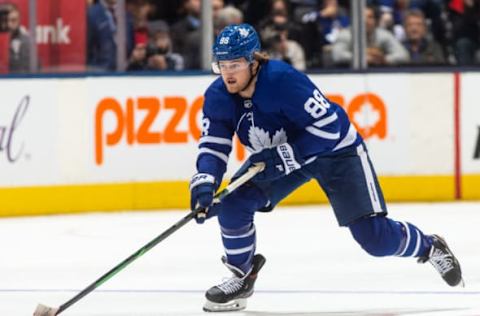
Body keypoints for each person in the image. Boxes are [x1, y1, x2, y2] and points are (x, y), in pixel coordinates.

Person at [189, 23, 463, 312]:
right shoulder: (218, 96)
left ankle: (430, 246)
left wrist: (284, 156)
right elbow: (213, 144)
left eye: (235, 64)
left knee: (374, 239)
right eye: (222, 65)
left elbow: (330, 127)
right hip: (284, 156)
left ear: (253, 61)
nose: (228, 73)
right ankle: (241, 276)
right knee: (233, 204)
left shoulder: (283, 80)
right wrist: (205, 182)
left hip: (335, 151)